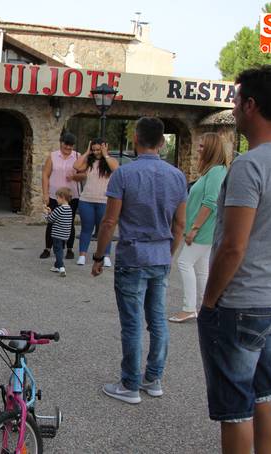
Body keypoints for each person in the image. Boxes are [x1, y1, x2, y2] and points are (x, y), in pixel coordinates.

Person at [198, 66, 271, 454]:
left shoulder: (250, 165)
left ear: (250, 105)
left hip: (241, 304)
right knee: (266, 392)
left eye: (235, 100)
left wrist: (209, 301)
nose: (232, 109)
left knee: (235, 410)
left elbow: (234, 246)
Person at [91, 117, 187, 404]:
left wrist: (99, 256)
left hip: (133, 256)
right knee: (157, 320)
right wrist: (168, 254)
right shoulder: (177, 176)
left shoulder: (124, 174)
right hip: (160, 256)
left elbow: (109, 221)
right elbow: (180, 224)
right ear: (162, 142)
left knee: (132, 324)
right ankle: (153, 378)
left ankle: (130, 384)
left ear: (135, 138)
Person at [169, 133, 228, 323]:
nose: (198, 149)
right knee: (202, 269)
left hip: (203, 229)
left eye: (202, 146)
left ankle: (189, 308)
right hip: (204, 228)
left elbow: (210, 202)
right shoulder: (212, 171)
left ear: (211, 149)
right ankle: (206, 307)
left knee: (184, 263)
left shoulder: (216, 171)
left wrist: (194, 228)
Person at [73, 138, 119, 267]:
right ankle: (82, 255)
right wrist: (87, 152)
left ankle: (106, 255)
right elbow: (76, 166)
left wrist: (105, 154)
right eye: (94, 150)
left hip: (104, 201)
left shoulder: (111, 161)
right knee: (86, 228)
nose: (96, 152)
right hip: (86, 200)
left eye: (98, 149)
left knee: (105, 230)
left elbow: (116, 169)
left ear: (104, 148)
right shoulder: (89, 161)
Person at [39, 133, 85, 260]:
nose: (68, 148)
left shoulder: (78, 156)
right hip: (55, 196)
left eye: (71, 146)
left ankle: (69, 249)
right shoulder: (53, 156)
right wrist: (45, 193)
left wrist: (74, 177)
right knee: (51, 221)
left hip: (71, 196)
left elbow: (84, 175)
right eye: (66, 145)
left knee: (69, 222)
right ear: (61, 143)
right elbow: (45, 175)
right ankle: (48, 248)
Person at [43, 187, 74, 277]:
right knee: (60, 249)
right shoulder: (69, 209)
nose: (56, 200)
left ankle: (61, 267)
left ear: (62, 197)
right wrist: (51, 212)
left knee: (57, 251)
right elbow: (60, 218)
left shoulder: (59, 209)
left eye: (57, 198)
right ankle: (56, 266)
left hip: (57, 234)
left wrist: (46, 213)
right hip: (65, 234)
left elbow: (50, 220)